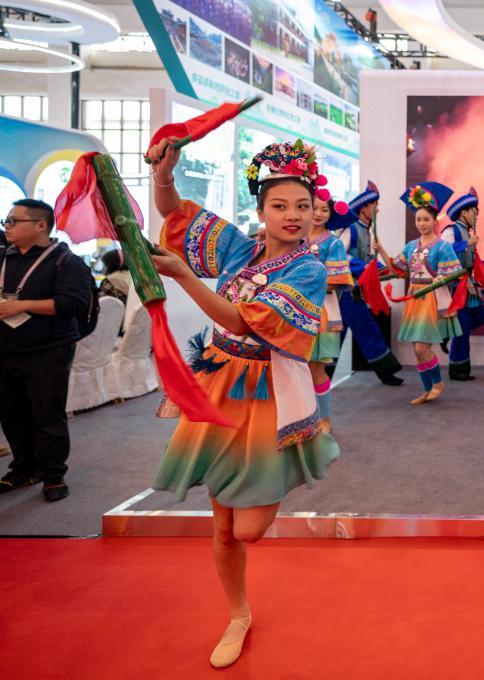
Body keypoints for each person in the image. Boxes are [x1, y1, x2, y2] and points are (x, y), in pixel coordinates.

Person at [146, 136, 340, 668]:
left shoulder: (309, 269)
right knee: (222, 526)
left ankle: (265, 480)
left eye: (303, 206)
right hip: (220, 382)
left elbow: (241, 321)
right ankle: (237, 613)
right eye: (280, 205)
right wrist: (165, 175)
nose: (293, 215)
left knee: (247, 529)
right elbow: (176, 215)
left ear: (315, 210)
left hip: (270, 391)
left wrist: (183, 276)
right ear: (261, 211)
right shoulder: (240, 248)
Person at [0, 198, 92, 502]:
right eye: (6, 221)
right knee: (11, 413)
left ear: (41, 225)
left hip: (48, 349)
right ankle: (25, 468)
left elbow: (72, 304)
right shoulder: (4, 258)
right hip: (6, 348)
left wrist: (22, 305)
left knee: (47, 413)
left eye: (14, 221)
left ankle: (53, 476)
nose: (7, 226)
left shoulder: (66, 261)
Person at [375, 182, 463, 405]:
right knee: (417, 350)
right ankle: (427, 389)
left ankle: (437, 384)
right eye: (418, 219)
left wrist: (440, 278)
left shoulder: (443, 247)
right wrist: (381, 250)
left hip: (432, 299)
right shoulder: (411, 246)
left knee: (422, 347)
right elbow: (397, 269)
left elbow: (454, 272)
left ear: (435, 221)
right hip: (415, 298)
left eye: (426, 219)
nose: (421, 223)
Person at [334, 180, 403, 385]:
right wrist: (363, 267)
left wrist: (387, 270)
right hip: (347, 291)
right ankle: (386, 371)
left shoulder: (367, 231)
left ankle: (322, 376)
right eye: (375, 205)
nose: (378, 210)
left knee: (337, 335)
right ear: (364, 208)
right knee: (367, 329)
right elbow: (338, 254)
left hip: (356, 291)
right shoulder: (352, 229)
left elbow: (369, 262)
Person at [307, 193, 355, 431]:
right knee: (295, 369)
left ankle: (324, 418)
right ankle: (302, 420)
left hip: (321, 311)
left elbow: (337, 281)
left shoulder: (333, 244)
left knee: (316, 367)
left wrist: (302, 284)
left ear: (330, 215)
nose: (318, 213)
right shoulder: (293, 237)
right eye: (313, 208)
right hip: (289, 310)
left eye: (324, 210)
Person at [441, 187, 484, 381]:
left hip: (468, 283)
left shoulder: (467, 233)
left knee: (481, 317)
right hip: (456, 286)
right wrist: (466, 244)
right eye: (474, 212)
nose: (476, 216)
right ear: (463, 213)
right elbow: (443, 251)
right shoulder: (450, 231)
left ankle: (449, 334)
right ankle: (458, 369)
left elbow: (471, 260)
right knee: (463, 329)